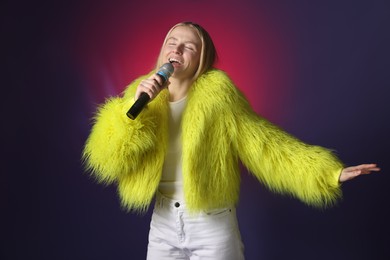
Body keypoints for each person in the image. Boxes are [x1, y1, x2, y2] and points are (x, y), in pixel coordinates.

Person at [82, 22, 380, 260]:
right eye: (172, 42)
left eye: (189, 46)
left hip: (211, 224)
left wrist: (327, 173)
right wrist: (129, 112)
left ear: (201, 59)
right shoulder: (141, 92)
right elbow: (106, 158)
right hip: (162, 224)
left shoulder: (219, 96)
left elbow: (265, 144)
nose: (178, 49)